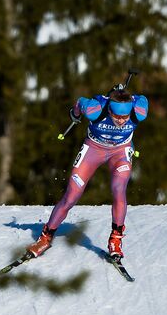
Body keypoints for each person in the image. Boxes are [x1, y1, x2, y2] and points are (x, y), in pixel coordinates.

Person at [27, 88, 149, 259]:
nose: (121, 121)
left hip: (121, 151)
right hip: (94, 149)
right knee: (72, 196)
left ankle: (115, 239)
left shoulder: (139, 111)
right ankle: (46, 237)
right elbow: (79, 102)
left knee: (118, 190)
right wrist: (75, 114)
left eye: (125, 117)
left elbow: (143, 98)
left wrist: (127, 94)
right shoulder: (95, 109)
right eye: (116, 116)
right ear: (109, 110)